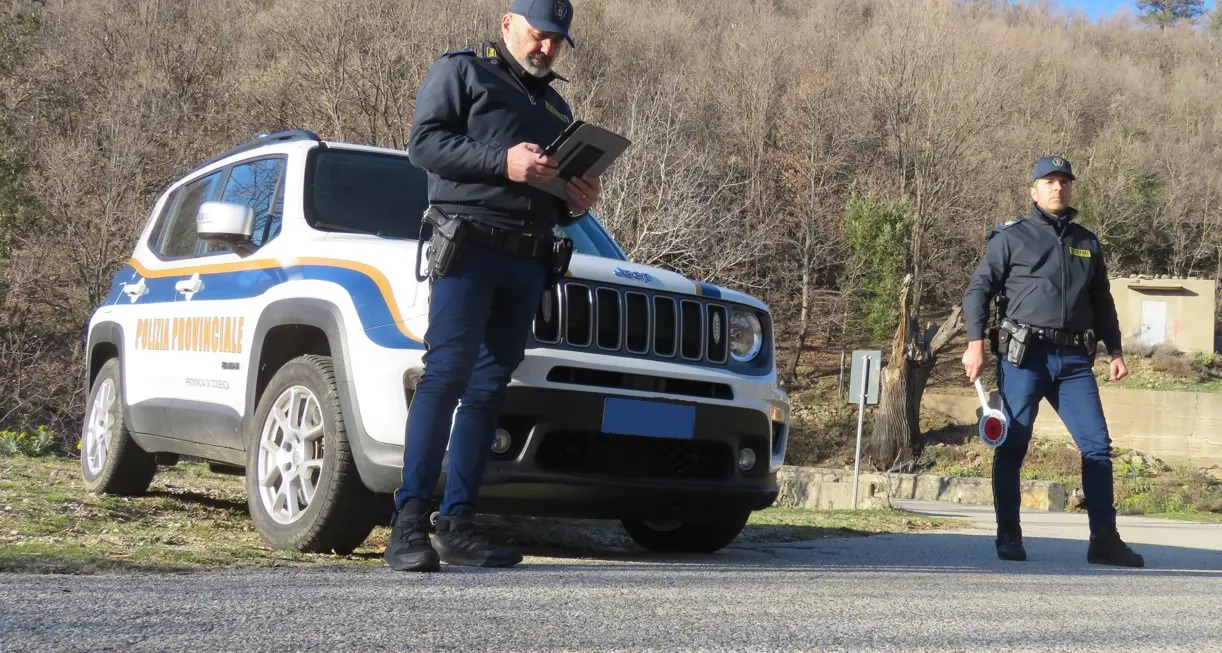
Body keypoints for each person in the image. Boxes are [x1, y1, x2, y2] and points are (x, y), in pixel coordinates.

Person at [384, 0, 601, 572]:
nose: (547, 48)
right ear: (507, 24)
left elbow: (550, 201)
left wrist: (576, 203)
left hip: (528, 259)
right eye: (538, 35)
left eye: (557, 41)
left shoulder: (557, 107)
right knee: (446, 376)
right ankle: (408, 524)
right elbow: (424, 145)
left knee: (488, 390)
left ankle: (458, 526)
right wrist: (502, 162)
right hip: (469, 248)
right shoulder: (461, 71)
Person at [961, 155, 1144, 568]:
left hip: (1075, 361)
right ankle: (1008, 533)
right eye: (1049, 181)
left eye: (1063, 181)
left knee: (1097, 446)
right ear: (1033, 190)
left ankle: (1104, 540)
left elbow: (1102, 301)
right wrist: (974, 343)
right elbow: (978, 291)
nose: (1057, 187)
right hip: (1025, 358)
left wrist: (1114, 350)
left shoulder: (1087, 241)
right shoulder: (1011, 237)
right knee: (1012, 445)